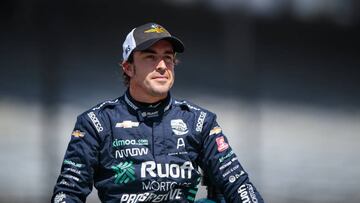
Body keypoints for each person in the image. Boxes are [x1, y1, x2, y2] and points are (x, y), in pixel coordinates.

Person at [52, 22, 264, 203]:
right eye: (150, 57)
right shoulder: (96, 122)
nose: (162, 66)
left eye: (168, 57)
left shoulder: (199, 121)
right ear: (128, 67)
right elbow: (68, 192)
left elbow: (239, 186)